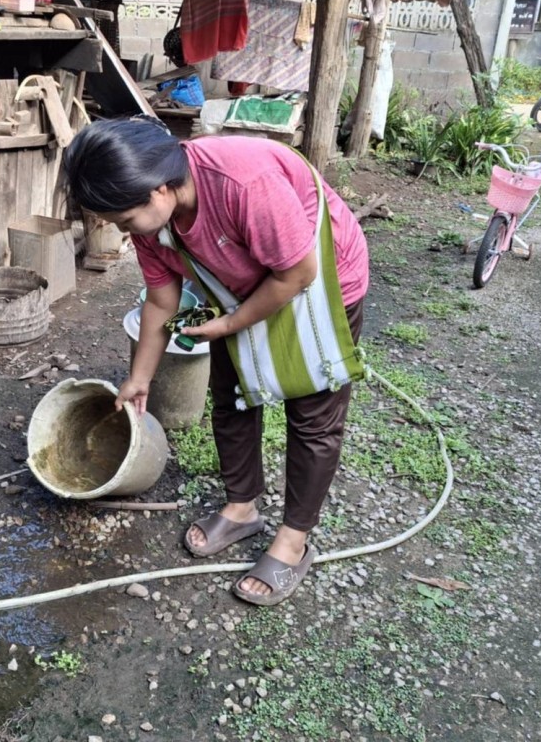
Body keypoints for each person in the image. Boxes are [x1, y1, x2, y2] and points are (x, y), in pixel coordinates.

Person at [61, 118, 369, 606]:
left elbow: (297, 273)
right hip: (240, 289)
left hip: (319, 286)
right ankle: (242, 508)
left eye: (123, 221)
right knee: (231, 398)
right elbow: (161, 302)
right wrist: (139, 378)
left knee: (311, 417)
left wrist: (228, 325)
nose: (122, 233)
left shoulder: (243, 183)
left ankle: (293, 541)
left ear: (159, 189)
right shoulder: (154, 221)